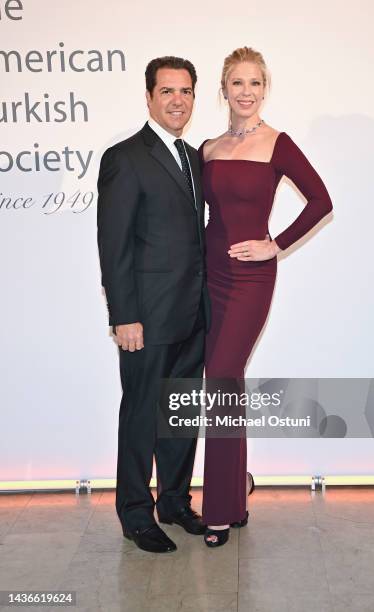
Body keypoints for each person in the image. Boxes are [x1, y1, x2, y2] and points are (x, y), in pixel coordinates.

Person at [199, 46, 333, 547]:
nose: (246, 92)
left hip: (251, 279)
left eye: (254, 83)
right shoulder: (207, 148)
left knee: (222, 378)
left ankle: (217, 509)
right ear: (224, 89)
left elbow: (322, 200)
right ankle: (234, 490)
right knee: (226, 386)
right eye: (237, 83)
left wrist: (275, 245)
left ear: (265, 88)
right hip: (208, 276)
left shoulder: (278, 143)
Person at [97, 56, 210, 553]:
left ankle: (174, 502)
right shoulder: (125, 157)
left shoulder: (194, 157)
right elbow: (113, 243)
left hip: (192, 314)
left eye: (185, 91)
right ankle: (136, 514)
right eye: (167, 91)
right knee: (143, 415)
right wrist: (123, 315)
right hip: (146, 316)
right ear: (148, 97)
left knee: (181, 413)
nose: (177, 100)